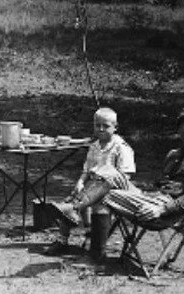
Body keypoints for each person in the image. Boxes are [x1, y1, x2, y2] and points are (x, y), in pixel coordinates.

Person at [104, 106, 184, 226]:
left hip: (168, 211)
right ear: (179, 129)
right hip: (154, 198)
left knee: (104, 194)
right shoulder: (174, 154)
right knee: (110, 179)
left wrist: (162, 209)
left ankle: (95, 241)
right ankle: (93, 235)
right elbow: (162, 183)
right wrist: (142, 192)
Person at [47, 107, 137, 260]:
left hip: (115, 189)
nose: (101, 129)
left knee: (100, 204)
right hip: (92, 188)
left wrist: (103, 184)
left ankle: (97, 253)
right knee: (73, 196)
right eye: (97, 125)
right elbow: (86, 171)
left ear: (115, 127)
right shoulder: (94, 146)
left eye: (106, 126)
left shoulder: (121, 147)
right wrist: (80, 183)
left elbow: (125, 176)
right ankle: (63, 240)